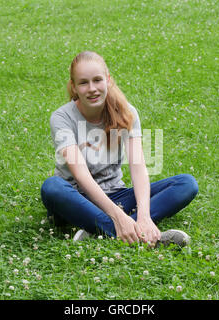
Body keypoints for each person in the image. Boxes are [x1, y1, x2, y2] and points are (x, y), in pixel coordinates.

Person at [40, 51, 198, 247]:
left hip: (117, 196)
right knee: (52, 187)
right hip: (77, 199)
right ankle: (135, 233)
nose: (92, 89)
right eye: (83, 83)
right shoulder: (61, 118)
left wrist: (144, 215)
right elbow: (80, 174)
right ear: (74, 87)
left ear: (108, 79)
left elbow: (138, 168)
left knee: (186, 184)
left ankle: (99, 230)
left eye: (97, 80)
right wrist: (118, 217)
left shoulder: (127, 112)